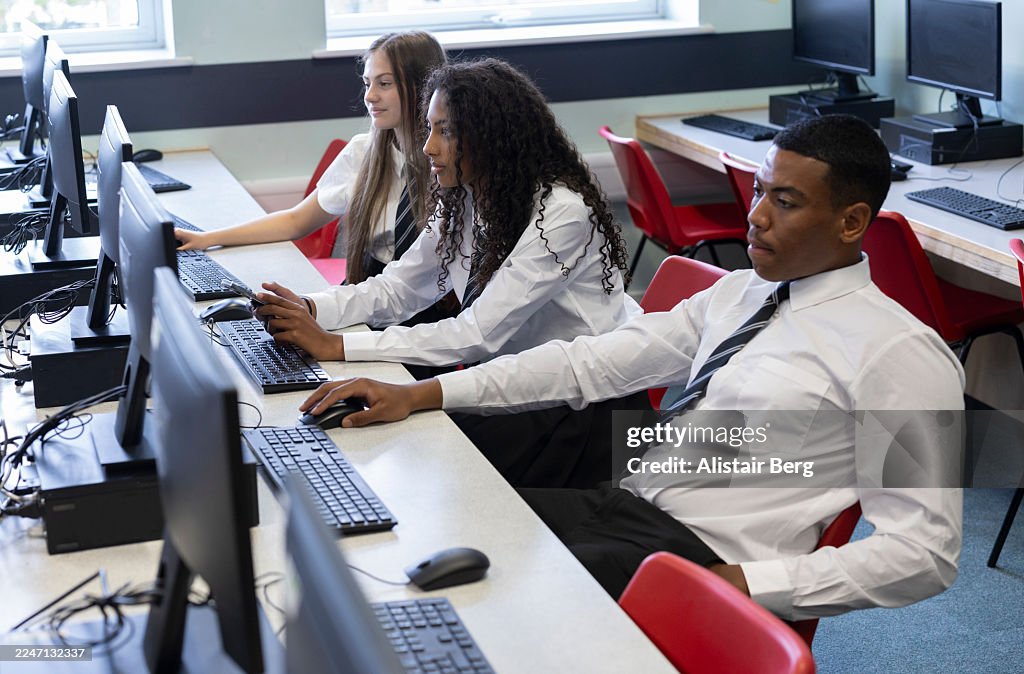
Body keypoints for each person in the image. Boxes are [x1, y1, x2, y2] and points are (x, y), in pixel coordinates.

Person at [293, 115, 966, 620]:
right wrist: (425, 394)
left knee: (486, 608)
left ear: (851, 222)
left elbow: (924, 552)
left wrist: (743, 584)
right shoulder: (740, 295)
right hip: (622, 504)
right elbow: (588, 363)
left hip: (698, 553)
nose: (756, 217)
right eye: (760, 192)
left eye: (784, 202)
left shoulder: (898, 353)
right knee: (431, 522)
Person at [255, 58, 642, 487]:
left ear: (493, 136)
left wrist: (336, 345)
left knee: (425, 461)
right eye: (430, 129)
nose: (428, 147)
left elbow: (476, 334)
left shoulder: (561, 214)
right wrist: (309, 308)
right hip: (513, 381)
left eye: (447, 131)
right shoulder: (467, 197)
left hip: (581, 405)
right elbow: (399, 288)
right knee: (402, 446)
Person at [174, 31, 444, 286]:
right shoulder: (363, 153)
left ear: (423, 87)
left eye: (384, 84)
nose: (370, 96)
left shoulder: (450, 164)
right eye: (367, 83)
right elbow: (296, 221)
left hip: (432, 302)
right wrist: (207, 239)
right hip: (369, 290)